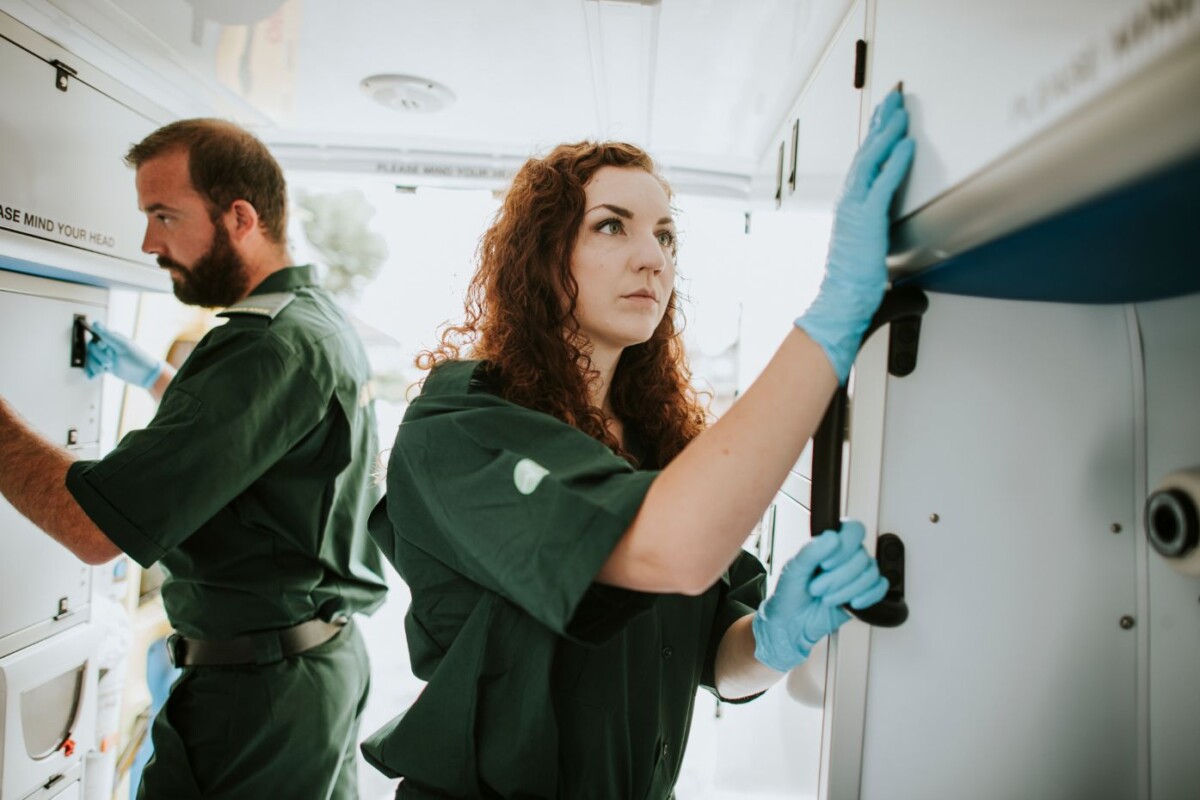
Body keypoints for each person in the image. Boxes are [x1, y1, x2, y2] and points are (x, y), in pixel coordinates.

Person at [362, 90, 915, 798]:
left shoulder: (665, 447)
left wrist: (778, 639)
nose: (652, 258)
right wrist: (836, 315)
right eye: (612, 226)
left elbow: (719, 659)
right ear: (540, 256)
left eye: (665, 235)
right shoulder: (461, 427)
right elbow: (667, 551)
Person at [0, 118, 388, 799]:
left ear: (240, 216)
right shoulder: (316, 320)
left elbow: (92, 528)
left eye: (164, 215)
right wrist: (157, 379)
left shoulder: (262, 344)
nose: (150, 241)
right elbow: (256, 450)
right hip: (312, 668)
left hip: (259, 694)